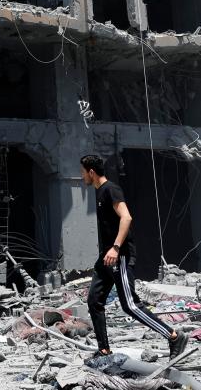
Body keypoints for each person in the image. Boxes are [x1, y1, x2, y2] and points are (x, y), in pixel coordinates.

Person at [79, 154, 187, 360]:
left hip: (118, 255)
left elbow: (126, 217)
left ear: (91, 172)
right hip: (106, 258)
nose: (81, 175)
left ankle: (174, 337)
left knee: (130, 305)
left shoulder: (111, 189)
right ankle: (103, 350)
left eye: (82, 171)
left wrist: (116, 248)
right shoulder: (100, 192)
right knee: (94, 300)